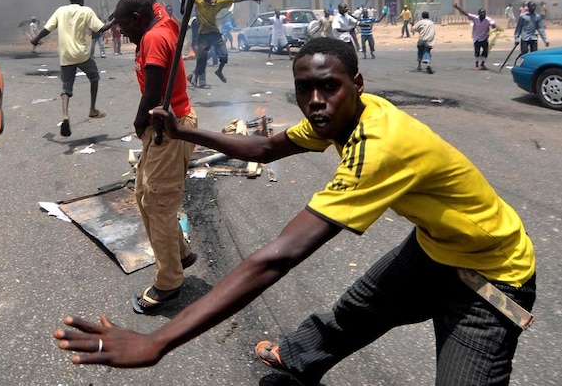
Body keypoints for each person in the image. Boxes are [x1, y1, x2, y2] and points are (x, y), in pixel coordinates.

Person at [54, 37, 536, 386]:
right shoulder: (338, 119)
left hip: (491, 276)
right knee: (358, 310)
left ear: (357, 84)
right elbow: (263, 147)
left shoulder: (380, 145)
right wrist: (183, 132)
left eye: (328, 87)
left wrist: (158, 341)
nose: (315, 101)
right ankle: (296, 359)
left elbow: (277, 257)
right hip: (435, 248)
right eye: (304, 89)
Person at [109, 0, 199, 314]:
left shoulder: (154, 39)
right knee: (148, 197)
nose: (120, 32)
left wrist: (139, 121)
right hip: (169, 121)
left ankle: (169, 283)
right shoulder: (155, 15)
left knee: (157, 204)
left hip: (169, 123)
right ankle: (179, 254)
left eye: (122, 24)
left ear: (138, 19)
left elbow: (157, 89)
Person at [29, 0, 109, 137]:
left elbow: (47, 29)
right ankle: (92, 109)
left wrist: (35, 39)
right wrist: (117, 17)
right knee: (94, 77)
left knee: (66, 88)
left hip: (65, 55)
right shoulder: (86, 11)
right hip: (82, 54)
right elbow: (102, 28)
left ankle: (65, 115)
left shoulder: (60, 11)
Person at [167, 0, 259, 87]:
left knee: (224, 56)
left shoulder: (218, 2)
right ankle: (196, 77)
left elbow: (235, 0)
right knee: (202, 60)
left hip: (215, 34)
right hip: (203, 36)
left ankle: (219, 71)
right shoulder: (198, 0)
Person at [454, 4, 497, 70]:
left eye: (484, 13)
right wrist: (457, 8)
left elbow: (493, 24)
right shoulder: (475, 18)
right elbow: (466, 13)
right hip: (476, 38)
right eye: (481, 13)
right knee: (477, 51)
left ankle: (482, 64)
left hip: (484, 38)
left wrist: (494, 26)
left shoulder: (488, 19)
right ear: (479, 14)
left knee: (485, 51)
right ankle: (476, 65)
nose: (483, 15)